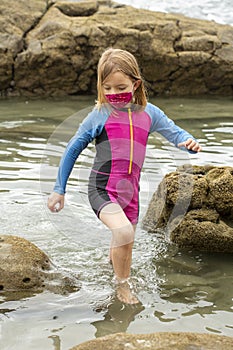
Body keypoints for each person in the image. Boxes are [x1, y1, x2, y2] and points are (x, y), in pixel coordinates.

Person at [47, 48, 201, 304]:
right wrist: (58, 188)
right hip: (102, 188)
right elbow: (72, 149)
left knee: (124, 241)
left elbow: (175, 132)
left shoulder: (150, 113)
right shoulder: (99, 115)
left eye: (120, 87)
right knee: (124, 233)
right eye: (107, 88)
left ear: (135, 83)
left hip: (131, 191)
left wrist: (188, 141)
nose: (113, 94)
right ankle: (122, 288)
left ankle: (109, 272)